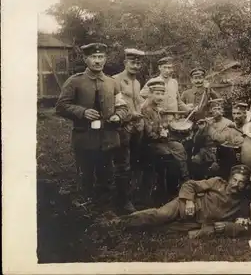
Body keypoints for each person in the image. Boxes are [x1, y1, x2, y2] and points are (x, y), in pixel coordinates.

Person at [55, 43, 129, 207]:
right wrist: (82, 112)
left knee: (106, 173)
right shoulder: (75, 81)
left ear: (105, 59)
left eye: (101, 57)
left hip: (108, 138)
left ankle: (104, 208)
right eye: (93, 57)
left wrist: (118, 115)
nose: (97, 61)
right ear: (85, 59)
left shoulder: (112, 83)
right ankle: (85, 206)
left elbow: (122, 106)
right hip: (85, 138)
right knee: (86, 175)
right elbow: (60, 106)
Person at [100, 165, 251, 239]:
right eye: (234, 180)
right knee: (159, 216)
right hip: (183, 206)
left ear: (245, 185)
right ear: (229, 179)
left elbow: (243, 227)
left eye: (241, 182)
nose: (236, 184)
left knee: (162, 230)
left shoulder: (243, 203)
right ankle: (115, 222)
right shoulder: (216, 182)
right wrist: (189, 202)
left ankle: (127, 227)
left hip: (195, 223)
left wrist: (228, 226)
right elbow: (190, 184)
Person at [140, 80, 190, 203]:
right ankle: (169, 192)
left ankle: (185, 181)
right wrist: (161, 134)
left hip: (160, 141)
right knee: (171, 160)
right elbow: (149, 134)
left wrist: (165, 128)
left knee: (179, 148)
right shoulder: (146, 109)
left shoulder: (157, 108)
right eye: (157, 94)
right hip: (149, 144)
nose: (160, 97)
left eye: (162, 94)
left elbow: (161, 127)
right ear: (150, 94)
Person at [111, 48, 147, 213]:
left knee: (135, 162)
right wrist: (129, 115)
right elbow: (112, 105)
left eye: (138, 63)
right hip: (123, 127)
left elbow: (138, 102)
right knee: (122, 164)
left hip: (137, 127)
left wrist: (141, 118)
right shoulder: (115, 80)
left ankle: (132, 195)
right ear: (125, 63)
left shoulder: (137, 82)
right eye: (132, 62)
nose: (135, 66)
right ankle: (122, 201)